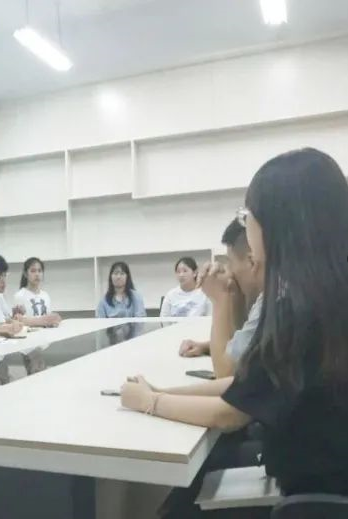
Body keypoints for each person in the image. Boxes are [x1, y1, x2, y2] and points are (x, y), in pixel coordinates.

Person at [121, 148, 348, 516]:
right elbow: (246, 384)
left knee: (178, 506)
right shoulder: (323, 297)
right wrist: (161, 391)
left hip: (311, 493)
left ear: (278, 225)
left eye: (247, 217)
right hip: (318, 481)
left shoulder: (300, 309)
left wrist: (149, 402)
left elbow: (231, 413)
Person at [179, 220, 264, 378]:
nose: (229, 270)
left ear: (252, 262)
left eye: (230, 262)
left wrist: (220, 297)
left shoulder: (273, 302)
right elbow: (245, 343)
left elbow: (226, 375)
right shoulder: (276, 292)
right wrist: (234, 293)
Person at [12, 257, 62, 327]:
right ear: (26, 274)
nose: (37, 274)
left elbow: (50, 320)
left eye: (39, 271)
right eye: (33, 271)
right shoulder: (19, 296)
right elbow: (18, 322)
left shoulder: (46, 296)